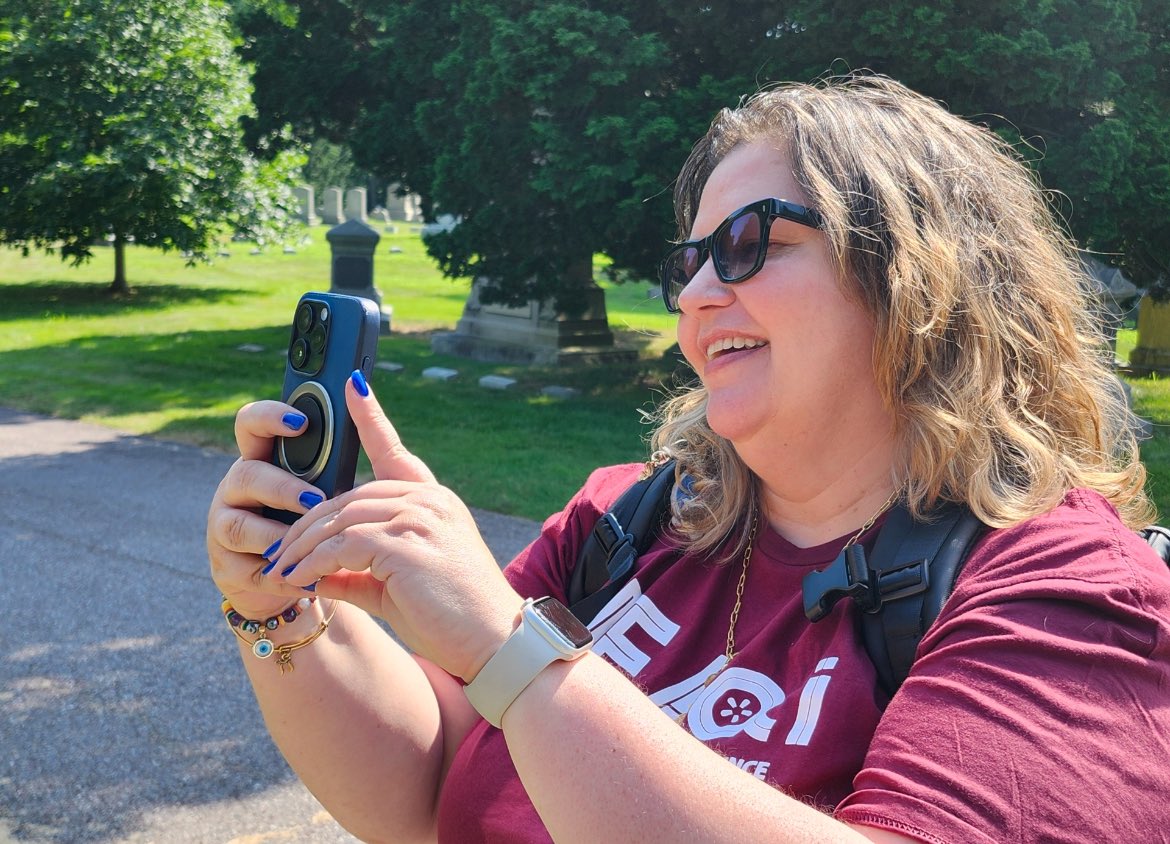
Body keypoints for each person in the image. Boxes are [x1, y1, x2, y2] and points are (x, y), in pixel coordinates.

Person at [207, 74, 1170, 843]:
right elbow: (426, 792)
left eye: (748, 244)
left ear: (920, 277)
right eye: (691, 260)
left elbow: (517, 680)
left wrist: (516, 652)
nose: (699, 292)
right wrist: (281, 612)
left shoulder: (1073, 593)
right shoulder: (625, 523)